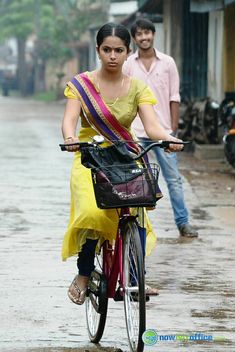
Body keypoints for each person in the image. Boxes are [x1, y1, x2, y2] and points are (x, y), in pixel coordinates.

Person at [61, 22, 183, 305]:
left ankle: (135, 277)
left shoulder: (138, 87)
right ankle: (83, 273)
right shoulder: (81, 85)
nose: (112, 56)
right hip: (89, 155)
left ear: (128, 52)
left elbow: (152, 126)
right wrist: (70, 137)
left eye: (118, 50)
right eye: (107, 50)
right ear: (98, 51)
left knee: (137, 207)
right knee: (93, 211)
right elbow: (69, 119)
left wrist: (169, 138)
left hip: (124, 155)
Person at [123, 18, 198, 238]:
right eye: (139, 34)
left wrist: (173, 129)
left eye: (147, 33)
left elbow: (174, 96)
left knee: (173, 179)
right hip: (136, 132)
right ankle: (133, 227)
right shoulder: (128, 64)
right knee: (133, 180)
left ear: (153, 34)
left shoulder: (168, 63)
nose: (144, 37)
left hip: (163, 131)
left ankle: (183, 223)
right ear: (134, 38)